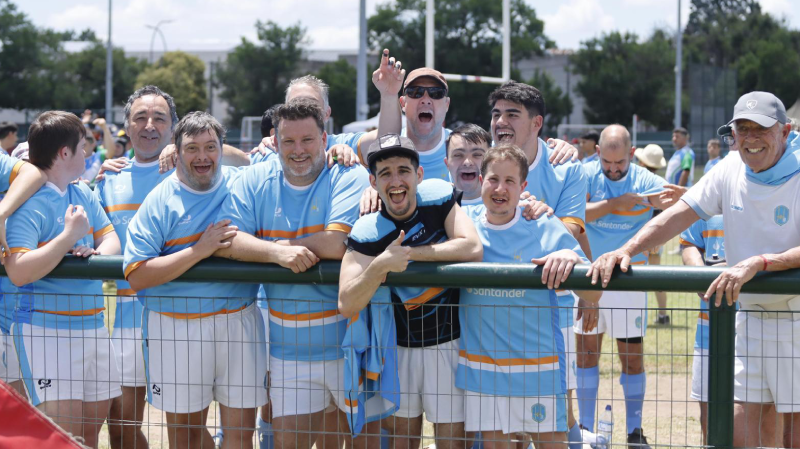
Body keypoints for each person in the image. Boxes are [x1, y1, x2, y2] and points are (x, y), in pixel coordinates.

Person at [588, 91, 800, 448]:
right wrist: (626, 250)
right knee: (736, 427)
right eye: (742, 129)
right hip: (747, 316)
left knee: (794, 432)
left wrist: (760, 262)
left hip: (796, 318)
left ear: (785, 131)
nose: (750, 138)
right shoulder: (729, 167)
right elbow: (678, 215)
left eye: (760, 128)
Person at [215, 98, 371, 449]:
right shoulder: (256, 177)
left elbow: (337, 242)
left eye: (307, 140)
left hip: (351, 345)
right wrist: (277, 253)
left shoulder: (349, 173)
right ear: (275, 141)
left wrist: (275, 245)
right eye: (288, 141)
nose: (298, 150)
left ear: (325, 139)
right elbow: (227, 240)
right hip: (288, 350)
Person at [123, 112, 267, 449]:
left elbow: (287, 160)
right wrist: (198, 251)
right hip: (177, 326)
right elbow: (137, 274)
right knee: (185, 435)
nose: (202, 157)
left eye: (210, 147)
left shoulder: (241, 183)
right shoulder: (160, 200)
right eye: (192, 148)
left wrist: (341, 152)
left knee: (240, 434)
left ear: (222, 149)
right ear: (176, 151)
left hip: (239, 320)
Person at [339, 134, 483, 449]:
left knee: (453, 443)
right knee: (402, 441)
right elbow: (346, 302)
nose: (396, 181)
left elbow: (473, 247)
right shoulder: (367, 229)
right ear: (373, 182)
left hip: (450, 343)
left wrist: (407, 255)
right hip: (397, 349)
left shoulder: (439, 197)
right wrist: (379, 266)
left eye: (403, 170)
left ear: (419, 174)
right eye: (385, 173)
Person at [458, 143, 601, 449]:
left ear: (523, 187)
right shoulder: (462, 223)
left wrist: (571, 258)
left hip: (538, 368)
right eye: (493, 179)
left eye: (510, 181)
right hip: (484, 370)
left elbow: (593, 291)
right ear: (480, 181)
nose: (500, 188)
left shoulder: (542, 223)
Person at [3, 111, 122, 449]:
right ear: (65, 152)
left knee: (89, 438)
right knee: (63, 439)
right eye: (83, 146)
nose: (87, 153)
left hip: (94, 325)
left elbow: (110, 237)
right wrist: (68, 238)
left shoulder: (82, 191)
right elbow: (18, 270)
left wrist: (95, 253)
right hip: (46, 331)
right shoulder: (27, 203)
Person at [488, 80, 592, 448]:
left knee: (556, 410)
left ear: (537, 124)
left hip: (551, 309)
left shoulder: (567, 168)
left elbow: (571, 231)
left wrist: (540, 216)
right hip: (490, 310)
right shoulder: (482, 160)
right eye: (496, 114)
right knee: (500, 420)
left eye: (511, 114)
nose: (500, 121)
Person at [577, 125, 677, 449]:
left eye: (620, 162)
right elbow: (574, 214)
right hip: (587, 279)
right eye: (606, 162)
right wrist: (614, 204)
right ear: (597, 153)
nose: (613, 169)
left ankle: (635, 431)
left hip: (629, 282)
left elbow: (675, 206)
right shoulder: (584, 175)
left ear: (632, 154)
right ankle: (584, 428)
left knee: (632, 359)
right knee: (586, 355)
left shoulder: (646, 180)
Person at [679, 215, 725, 445]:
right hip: (710, 326)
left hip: (763, 321)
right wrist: (700, 274)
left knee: (764, 418)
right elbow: (689, 242)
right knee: (709, 418)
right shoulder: (709, 199)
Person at [633, 144, 671, 325]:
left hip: (637, 237)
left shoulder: (638, 183)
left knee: (636, 277)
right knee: (657, 278)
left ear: (642, 162)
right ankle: (663, 314)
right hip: (657, 237)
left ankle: (636, 315)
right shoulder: (662, 183)